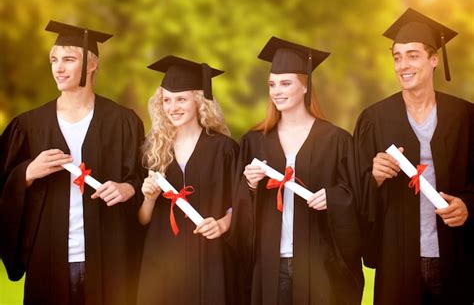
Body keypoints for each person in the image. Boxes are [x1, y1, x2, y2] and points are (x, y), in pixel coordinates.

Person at [0, 20, 145, 305]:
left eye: (68, 59)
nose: (59, 67)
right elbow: (2, 186)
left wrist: (128, 189)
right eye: (54, 60)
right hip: (48, 259)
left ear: (92, 65)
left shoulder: (123, 122)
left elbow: (145, 179)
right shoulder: (28, 126)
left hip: (110, 261)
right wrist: (26, 173)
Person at [230, 36, 363, 305]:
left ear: (305, 86)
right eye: (272, 84)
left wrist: (334, 197)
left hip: (320, 264)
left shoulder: (336, 140)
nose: (277, 91)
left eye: (286, 83)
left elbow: (357, 195)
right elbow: (238, 208)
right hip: (268, 264)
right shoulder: (254, 141)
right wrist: (250, 185)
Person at [354, 8, 474, 305]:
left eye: (412, 55)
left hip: (455, 258)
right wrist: (375, 177)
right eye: (397, 56)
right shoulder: (374, 119)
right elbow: (352, 192)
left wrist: (469, 206)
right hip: (396, 260)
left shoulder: (465, 116)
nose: (402, 65)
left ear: (434, 60)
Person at [136, 55, 238, 305]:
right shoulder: (152, 150)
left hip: (210, 257)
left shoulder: (224, 149)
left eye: (181, 99)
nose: (173, 107)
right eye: (167, 100)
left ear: (199, 101)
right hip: (163, 260)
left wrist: (223, 224)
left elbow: (243, 203)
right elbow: (141, 219)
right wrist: (149, 199)